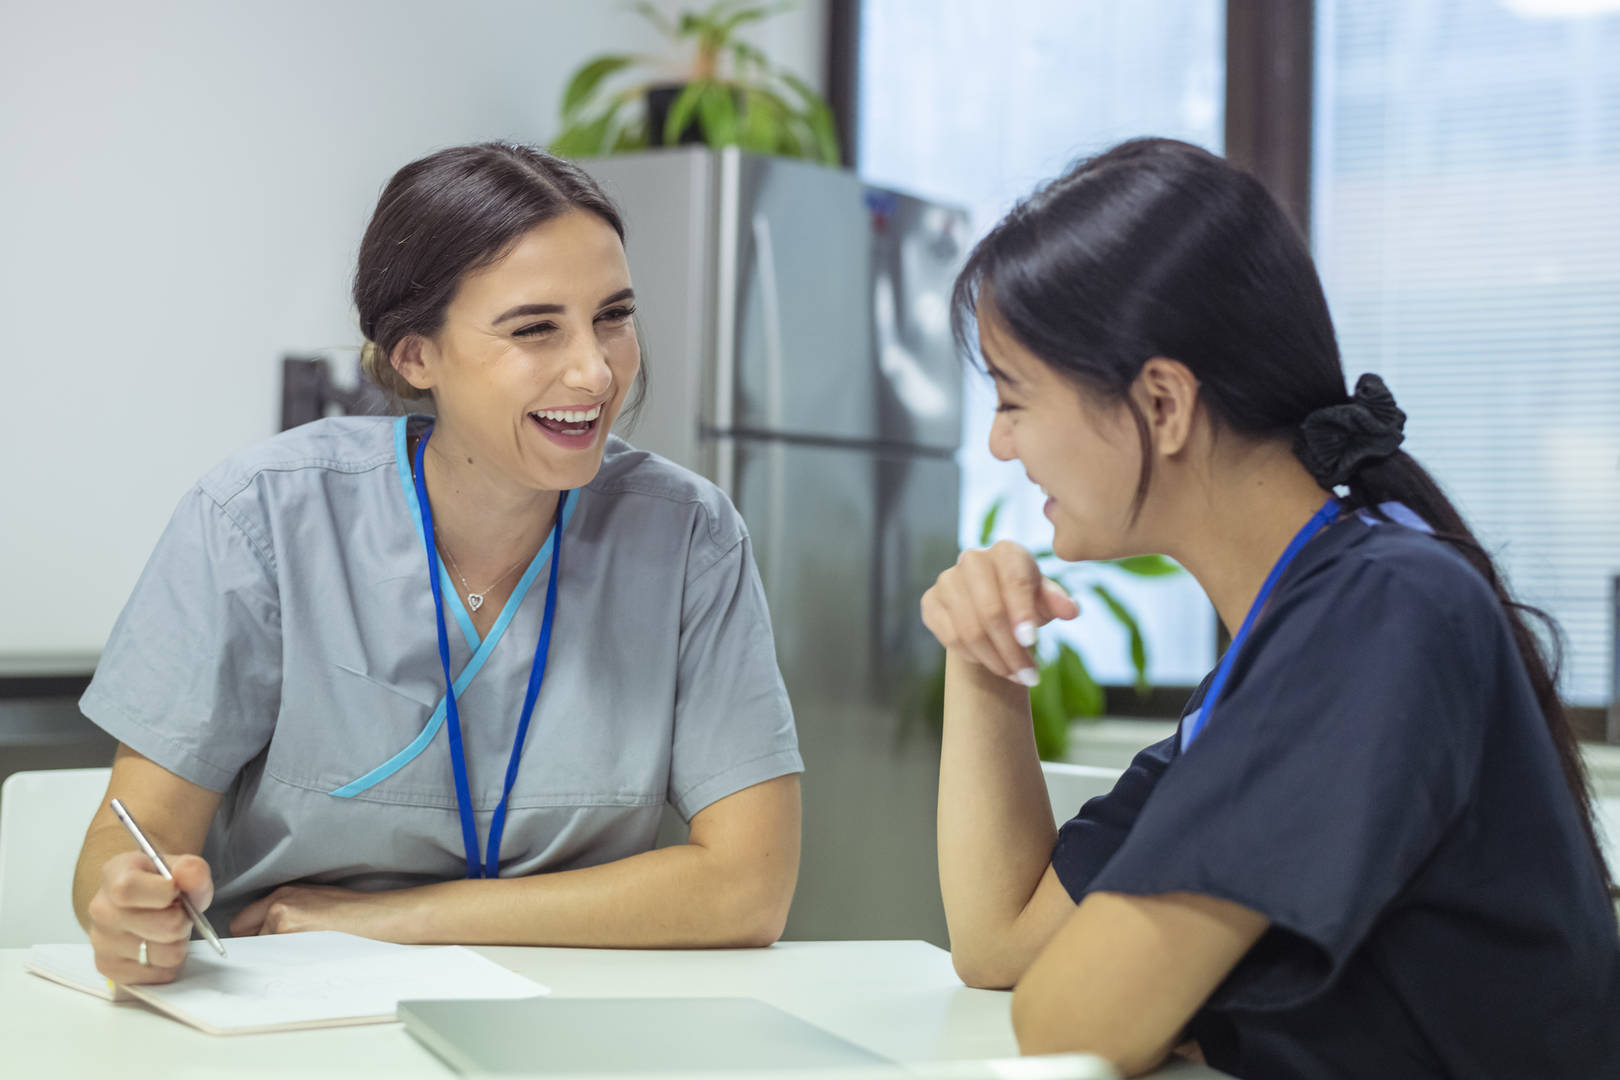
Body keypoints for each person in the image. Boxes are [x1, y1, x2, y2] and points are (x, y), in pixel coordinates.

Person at [921, 138, 1619, 1078]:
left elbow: (1072, 1023)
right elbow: (1002, 944)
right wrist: (983, 657)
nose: (1002, 445)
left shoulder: (1380, 613)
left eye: (1014, 399)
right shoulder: (1298, 633)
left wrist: (1169, 1003)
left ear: (1162, 403)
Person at [73, 143, 803, 985]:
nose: (597, 370)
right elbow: (128, 843)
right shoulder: (260, 517)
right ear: (415, 357)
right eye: (536, 328)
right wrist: (127, 902)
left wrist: (391, 921)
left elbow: (749, 887)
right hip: (291, 1006)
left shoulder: (688, 538)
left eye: (614, 315)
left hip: (578, 1009)